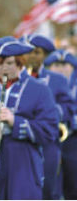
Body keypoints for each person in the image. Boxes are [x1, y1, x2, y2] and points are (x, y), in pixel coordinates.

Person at [0, 36, 59, 199]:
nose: (3, 68)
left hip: (24, 162)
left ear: (20, 62)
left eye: (9, 63)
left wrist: (15, 121)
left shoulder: (39, 89)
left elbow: (50, 131)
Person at [24, 34, 74, 199]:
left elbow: (69, 107)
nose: (31, 56)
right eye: (27, 52)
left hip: (47, 141)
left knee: (48, 189)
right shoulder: (14, 79)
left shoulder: (56, 80)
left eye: (36, 52)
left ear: (45, 56)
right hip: (19, 141)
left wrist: (49, 112)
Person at [44, 49, 77, 199]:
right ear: (49, 67)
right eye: (56, 65)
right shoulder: (45, 84)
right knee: (52, 182)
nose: (62, 69)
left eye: (66, 65)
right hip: (51, 137)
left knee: (73, 181)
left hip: (73, 139)